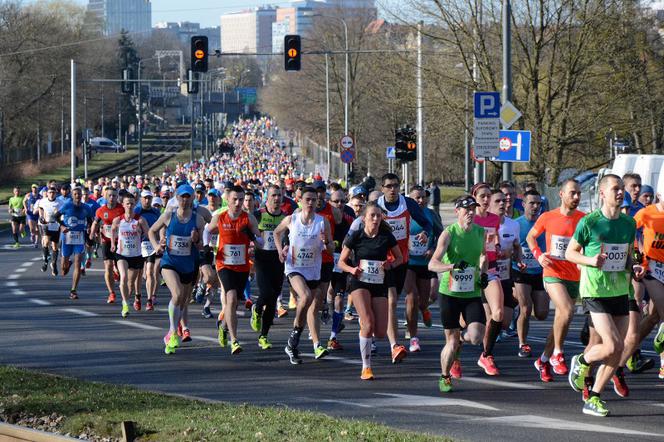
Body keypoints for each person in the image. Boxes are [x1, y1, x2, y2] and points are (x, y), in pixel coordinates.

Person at [566, 174, 639, 417]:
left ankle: (594, 397)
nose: (620, 193)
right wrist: (590, 260)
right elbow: (570, 253)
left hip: (619, 290)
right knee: (613, 344)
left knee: (616, 351)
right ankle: (583, 362)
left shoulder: (629, 223)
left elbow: (627, 257)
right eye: (615, 189)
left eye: (622, 190)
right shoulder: (590, 222)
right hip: (594, 290)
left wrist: (635, 267)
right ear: (603, 193)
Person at [526, 179, 585, 382]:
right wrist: (539, 255)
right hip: (552, 272)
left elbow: (589, 243)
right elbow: (530, 237)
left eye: (579, 193)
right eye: (572, 193)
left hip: (573, 276)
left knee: (561, 321)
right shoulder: (548, 217)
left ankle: (542, 360)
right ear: (561, 194)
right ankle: (558, 354)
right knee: (567, 310)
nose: (576, 197)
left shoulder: (584, 219)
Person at [429, 195, 487, 392]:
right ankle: (445, 377)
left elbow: (482, 255)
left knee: (477, 336)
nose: (470, 212)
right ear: (457, 212)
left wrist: (483, 274)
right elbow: (432, 264)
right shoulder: (448, 234)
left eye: (473, 208)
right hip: (450, 293)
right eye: (466, 209)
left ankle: (460, 341)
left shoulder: (481, 232)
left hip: (472, 292)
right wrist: (452, 266)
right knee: (451, 342)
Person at [338, 201, 402, 380]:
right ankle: (366, 367)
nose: (375, 219)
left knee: (380, 332)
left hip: (379, 283)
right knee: (367, 324)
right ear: (364, 218)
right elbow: (341, 262)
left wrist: (390, 264)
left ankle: (366, 328)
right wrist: (352, 270)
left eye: (378, 215)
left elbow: (400, 258)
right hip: (359, 282)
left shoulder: (386, 236)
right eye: (372, 215)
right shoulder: (356, 236)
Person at [274, 186, 334, 364]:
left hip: (313, 269)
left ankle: (309, 343)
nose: (310, 203)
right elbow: (277, 233)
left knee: (313, 307)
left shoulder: (322, 222)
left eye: (313, 200)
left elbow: (331, 248)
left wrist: (326, 242)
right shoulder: (292, 219)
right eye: (307, 199)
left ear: (317, 202)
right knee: (305, 296)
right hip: (294, 267)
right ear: (300, 200)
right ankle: (295, 336)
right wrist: (280, 251)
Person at [377, 173, 432, 364]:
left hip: (402, 260)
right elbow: (362, 227)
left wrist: (426, 233)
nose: (392, 189)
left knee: (395, 299)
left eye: (395, 185)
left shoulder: (407, 203)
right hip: (382, 261)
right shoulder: (376, 205)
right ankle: (394, 345)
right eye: (389, 186)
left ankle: (383, 331)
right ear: (382, 188)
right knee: (392, 301)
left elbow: (427, 223)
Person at [149, 184, 205, 355]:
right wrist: (157, 245)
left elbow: (201, 245)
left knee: (183, 300)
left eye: (188, 196)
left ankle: (170, 335)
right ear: (177, 197)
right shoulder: (168, 215)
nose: (185, 199)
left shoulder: (198, 219)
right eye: (182, 196)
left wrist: (196, 240)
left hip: (188, 264)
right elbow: (151, 231)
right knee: (177, 294)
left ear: (192, 198)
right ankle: (173, 331)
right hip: (169, 262)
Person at [208, 185, 262, 355]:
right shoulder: (220, 217)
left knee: (234, 302)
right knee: (230, 298)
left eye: (241, 199)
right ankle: (234, 340)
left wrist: (253, 238)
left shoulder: (249, 218)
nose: (238, 203)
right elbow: (207, 231)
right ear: (228, 200)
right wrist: (205, 245)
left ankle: (223, 327)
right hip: (224, 264)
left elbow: (260, 242)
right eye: (235, 200)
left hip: (242, 265)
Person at [470, 183, 503, 376]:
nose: (485, 199)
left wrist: (497, 247)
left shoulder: (494, 218)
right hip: (470, 271)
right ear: (475, 198)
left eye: (488, 196)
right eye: (482, 196)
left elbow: (493, 238)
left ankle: (486, 354)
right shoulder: (470, 218)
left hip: (490, 268)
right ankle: (455, 356)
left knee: (497, 313)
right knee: (465, 322)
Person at [513, 190, 549, 359]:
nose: (535, 207)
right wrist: (516, 260)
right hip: (521, 271)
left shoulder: (545, 223)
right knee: (526, 309)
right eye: (531, 203)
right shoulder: (516, 224)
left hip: (540, 272)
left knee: (541, 314)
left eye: (538, 204)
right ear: (523, 205)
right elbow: (510, 247)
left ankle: (517, 311)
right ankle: (523, 343)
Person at [251, 184, 287, 349]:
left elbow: (289, 236)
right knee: (266, 292)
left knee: (274, 297)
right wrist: (252, 244)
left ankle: (263, 336)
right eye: (273, 195)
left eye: (279, 195)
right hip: (262, 259)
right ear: (267, 197)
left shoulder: (286, 217)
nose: (277, 199)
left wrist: (286, 246)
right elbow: (247, 231)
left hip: (278, 259)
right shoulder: (258, 215)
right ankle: (257, 308)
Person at [404, 186, 439, 352]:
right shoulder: (405, 213)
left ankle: (424, 309)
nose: (421, 200)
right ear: (410, 199)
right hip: (408, 262)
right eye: (417, 197)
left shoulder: (431, 214)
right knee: (412, 297)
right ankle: (413, 338)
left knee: (423, 301)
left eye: (423, 197)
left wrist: (433, 248)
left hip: (425, 263)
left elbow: (441, 235)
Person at [111, 193, 150, 318]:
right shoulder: (118, 220)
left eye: (132, 204)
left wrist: (143, 234)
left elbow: (149, 234)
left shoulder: (140, 220)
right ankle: (125, 304)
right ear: (123, 204)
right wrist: (113, 243)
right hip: (122, 254)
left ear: (135, 205)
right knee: (123, 277)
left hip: (136, 255)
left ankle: (129, 298)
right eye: (127, 203)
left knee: (130, 284)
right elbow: (112, 230)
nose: (129, 206)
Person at [54, 187, 93, 300]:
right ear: (72, 195)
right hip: (67, 237)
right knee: (63, 270)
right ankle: (67, 263)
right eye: (75, 194)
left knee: (78, 263)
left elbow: (90, 220)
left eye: (79, 194)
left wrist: (90, 228)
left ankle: (73, 290)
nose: (77, 196)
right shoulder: (67, 205)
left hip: (79, 238)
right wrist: (62, 226)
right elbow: (56, 216)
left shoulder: (86, 208)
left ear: (82, 195)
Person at [90, 187, 124, 304]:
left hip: (120, 241)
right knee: (108, 265)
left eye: (114, 196)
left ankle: (118, 273)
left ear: (117, 197)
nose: (112, 198)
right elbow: (95, 223)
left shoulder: (122, 209)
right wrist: (91, 234)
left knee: (121, 268)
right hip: (106, 241)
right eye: (109, 195)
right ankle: (112, 293)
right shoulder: (100, 210)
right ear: (105, 196)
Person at [135, 191, 162, 311]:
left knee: (150, 271)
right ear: (141, 199)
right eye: (145, 198)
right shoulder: (136, 211)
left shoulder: (156, 212)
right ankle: (137, 296)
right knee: (139, 274)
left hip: (151, 244)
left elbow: (162, 226)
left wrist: (161, 239)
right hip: (138, 245)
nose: (147, 200)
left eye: (149, 198)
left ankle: (149, 299)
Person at [37, 186, 63, 275]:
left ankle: (54, 264)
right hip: (46, 224)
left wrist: (61, 218)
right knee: (46, 241)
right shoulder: (43, 201)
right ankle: (45, 262)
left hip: (55, 224)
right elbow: (40, 208)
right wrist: (41, 216)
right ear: (47, 193)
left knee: (55, 246)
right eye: (50, 193)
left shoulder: (60, 202)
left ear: (55, 193)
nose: (51, 194)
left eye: (53, 193)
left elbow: (63, 211)